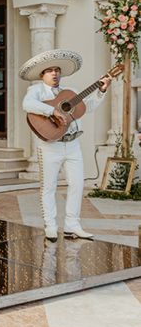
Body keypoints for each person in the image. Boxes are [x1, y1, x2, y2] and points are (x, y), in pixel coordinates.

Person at [20, 49, 112, 241]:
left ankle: (72, 225)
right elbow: (27, 105)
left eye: (57, 70)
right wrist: (52, 111)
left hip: (72, 145)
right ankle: (51, 226)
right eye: (50, 71)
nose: (55, 74)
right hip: (50, 145)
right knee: (49, 187)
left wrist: (101, 90)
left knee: (77, 184)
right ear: (42, 75)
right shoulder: (35, 90)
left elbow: (89, 107)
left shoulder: (72, 93)